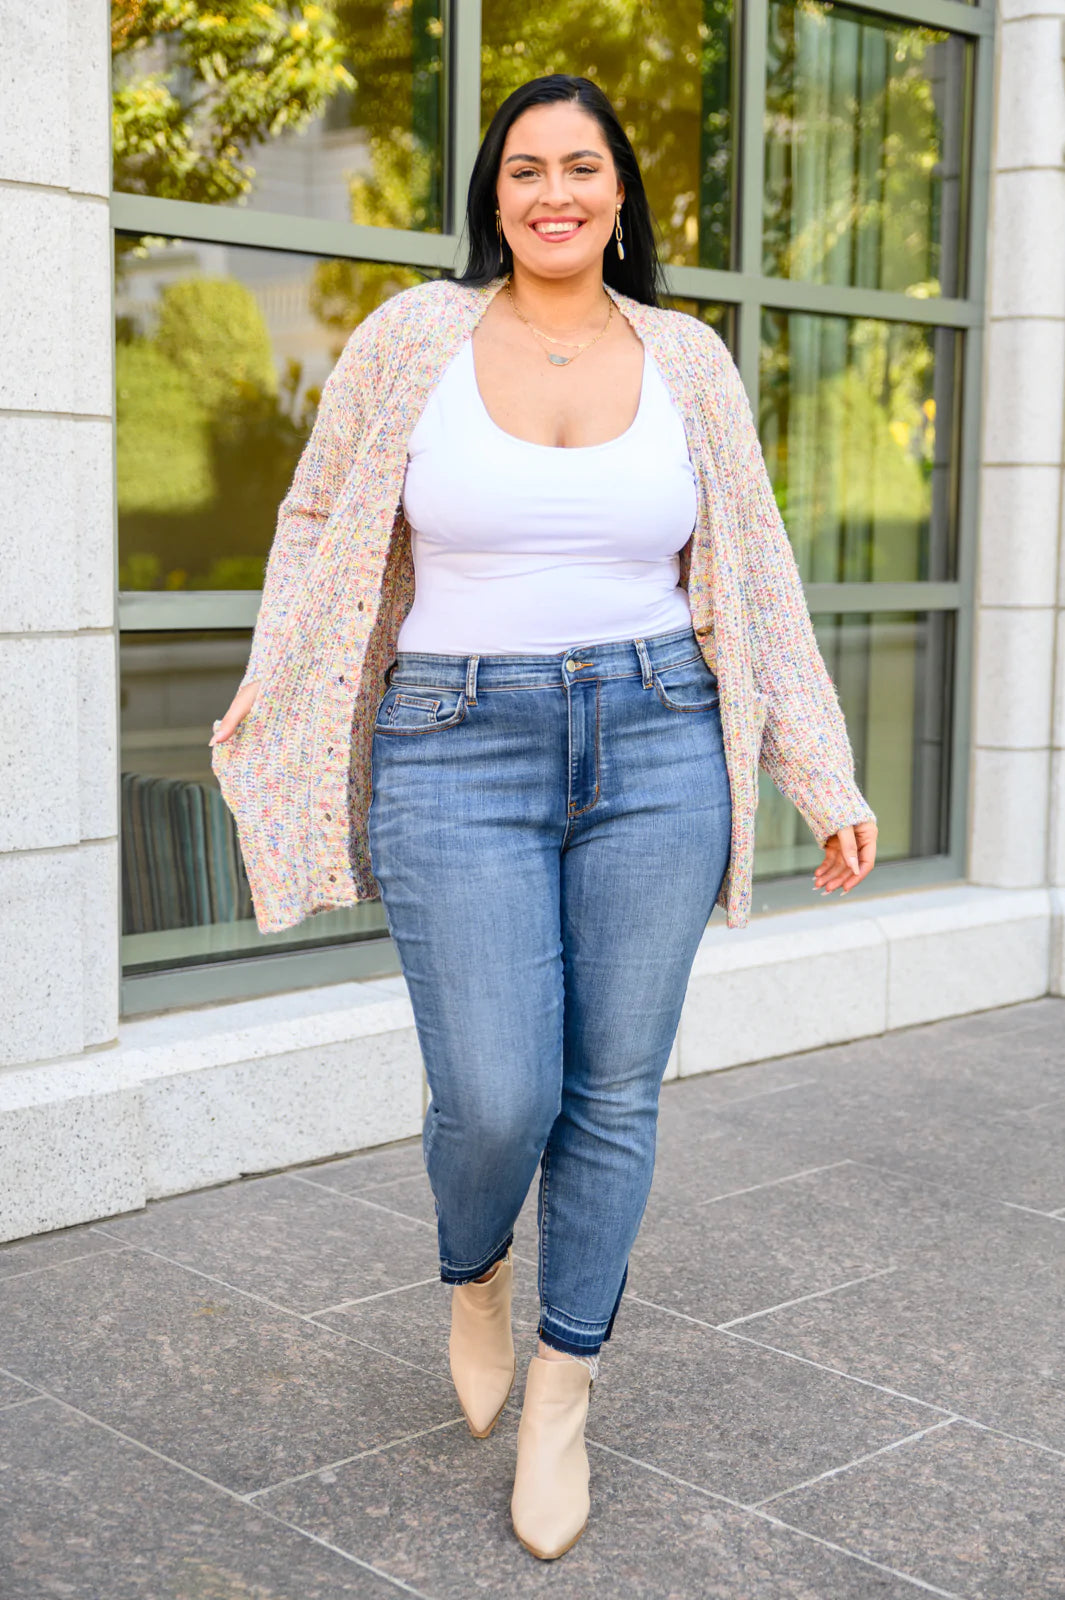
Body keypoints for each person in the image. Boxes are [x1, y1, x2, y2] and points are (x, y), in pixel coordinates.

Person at [209, 74, 878, 1561]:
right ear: (493, 195)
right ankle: (474, 1267)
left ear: (620, 193)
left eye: (581, 168)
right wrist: (285, 677)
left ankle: (565, 1387)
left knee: (614, 1092)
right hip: (455, 742)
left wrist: (820, 772)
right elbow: (317, 519)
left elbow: (756, 568)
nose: (553, 193)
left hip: (658, 737)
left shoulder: (688, 359)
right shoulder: (411, 338)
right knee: (497, 1094)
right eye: (525, 169)